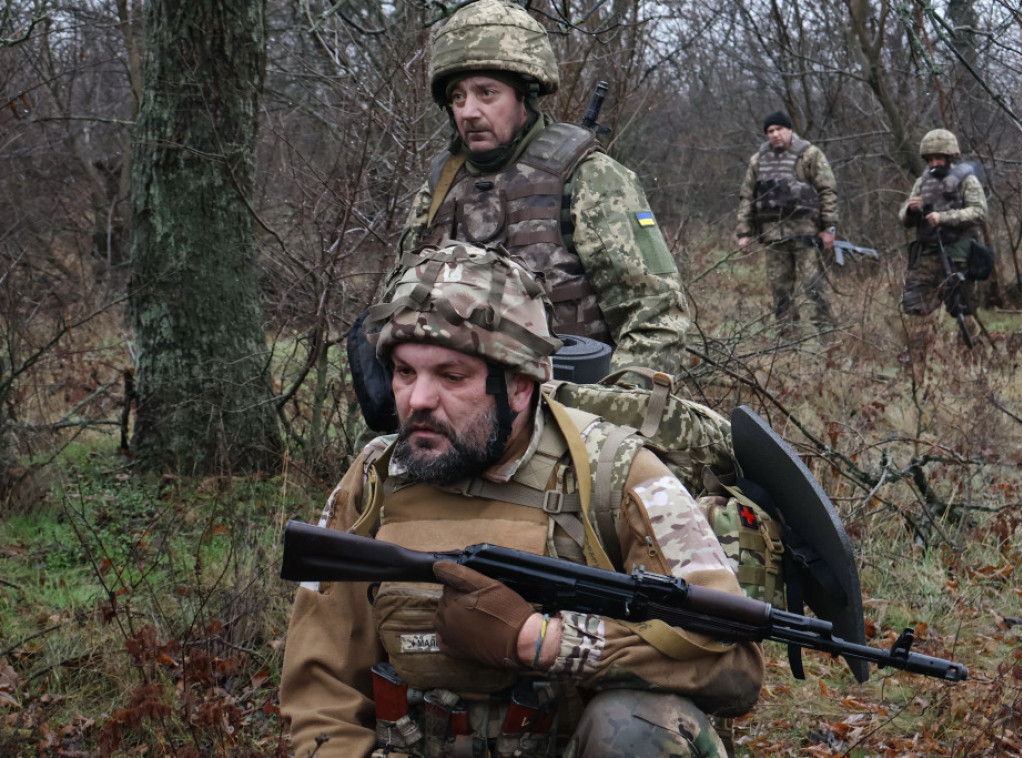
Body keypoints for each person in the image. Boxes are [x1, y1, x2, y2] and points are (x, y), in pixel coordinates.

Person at [280, 243, 764, 758]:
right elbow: (321, 692)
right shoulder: (376, 479)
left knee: (638, 725)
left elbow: (733, 666)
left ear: (520, 386)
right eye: (404, 373)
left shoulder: (614, 475)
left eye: (451, 376)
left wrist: (542, 642)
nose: (418, 400)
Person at [392, 0, 691, 376]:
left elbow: (656, 319)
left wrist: (607, 415)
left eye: (487, 92)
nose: (468, 111)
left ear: (524, 97)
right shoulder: (438, 188)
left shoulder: (589, 179)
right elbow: (397, 309)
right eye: (457, 96)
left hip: (566, 415)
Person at [736, 110, 839, 332]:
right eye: (770, 131)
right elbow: (747, 197)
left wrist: (828, 227)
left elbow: (827, 191)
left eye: (779, 129)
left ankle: (828, 335)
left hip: (806, 234)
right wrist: (744, 233)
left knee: (814, 285)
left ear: (789, 129)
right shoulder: (758, 160)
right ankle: (787, 337)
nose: (774, 134)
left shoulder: (810, 155)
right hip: (773, 236)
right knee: (780, 289)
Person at [898, 128, 987, 320]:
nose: (934, 163)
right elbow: (904, 219)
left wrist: (944, 217)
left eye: (938, 157)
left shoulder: (967, 181)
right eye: (930, 159)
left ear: (950, 156)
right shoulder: (922, 182)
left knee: (964, 311)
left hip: (959, 253)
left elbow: (980, 212)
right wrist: (910, 210)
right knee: (915, 309)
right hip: (927, 253)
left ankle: (968, 349)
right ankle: (919, 349)